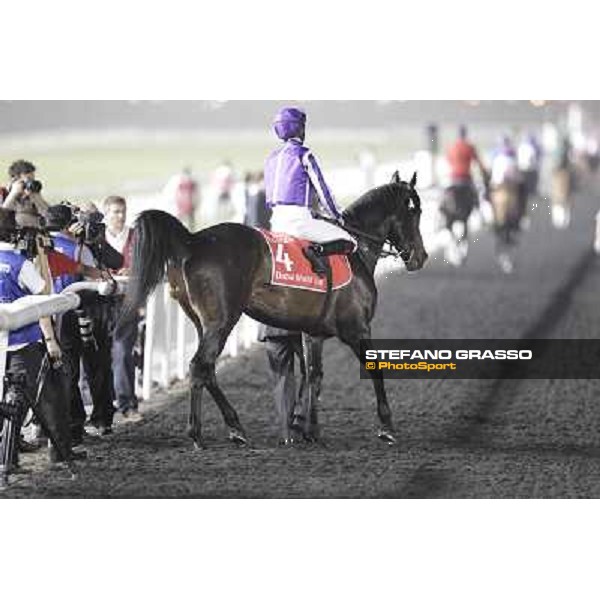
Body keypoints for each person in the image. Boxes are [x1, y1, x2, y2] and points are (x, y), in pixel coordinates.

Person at [0, 208, 82, 467]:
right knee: (46, 397)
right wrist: (42, 259)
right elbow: (44, 292)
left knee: (11, 401)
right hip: (23, 341)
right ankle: (60, 453)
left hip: (5, 343)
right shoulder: (18, 263)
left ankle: (9, 458)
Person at [264, 107, 356, 275]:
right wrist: (337, 216)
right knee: (349, 241)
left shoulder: (271, 158)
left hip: (275, 224)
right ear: (299, 128)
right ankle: (315, 254)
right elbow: (323, 191)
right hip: (299, 222)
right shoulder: (304, 154)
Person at [104, 195, 142, 422]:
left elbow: (144, 266)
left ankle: (127, 404)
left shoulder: (136, 237)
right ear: (106, 213)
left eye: (122, 211)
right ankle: (106, 406)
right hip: (101, 304)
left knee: (122, 352)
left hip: (127, 302)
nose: (120, 216)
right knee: (101, 356)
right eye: (115, 211)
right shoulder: (97, 238)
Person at [1, 160, 50, 228]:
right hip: (6, 234)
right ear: (14, 180)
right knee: (20, 217)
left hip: (32, 233)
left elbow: (49, 215)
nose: (29, 183)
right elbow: (1, 217)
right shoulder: (2, 193)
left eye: (32, 180)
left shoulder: (31, 193)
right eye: (28, 180)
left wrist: (36, 197)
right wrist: (13, 194)